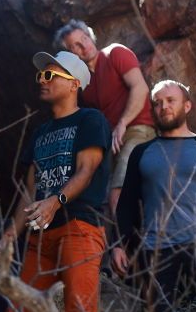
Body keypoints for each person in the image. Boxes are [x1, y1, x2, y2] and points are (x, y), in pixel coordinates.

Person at [0, 51, 111, 312]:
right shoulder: (40, 133)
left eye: (49, 75)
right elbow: (29, 195)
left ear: (73, 84)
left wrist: (56, 202)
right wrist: (8, 237)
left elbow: (86, 171)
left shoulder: (90, 120)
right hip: (40, 241)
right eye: (40, 75)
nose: (41, 81)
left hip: (79, 229)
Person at [112, 79, 196, 310]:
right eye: (158, 103)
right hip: (156, 253)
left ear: (187, 106)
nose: (164, 107)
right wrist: (119, 244)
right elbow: (127, 204)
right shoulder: (141, 152)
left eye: (171, 100)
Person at [54, 19, 155, 213]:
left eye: (84, 38)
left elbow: (140, 88)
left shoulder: (115, 53)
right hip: (111, 140)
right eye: (75, 45)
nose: (83, 45)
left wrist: (123, 123)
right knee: (97, 193)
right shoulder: (84, 86)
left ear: (90, 36)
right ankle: (109, 240)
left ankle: (123, 243)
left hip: (139, 130)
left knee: (117, 191)